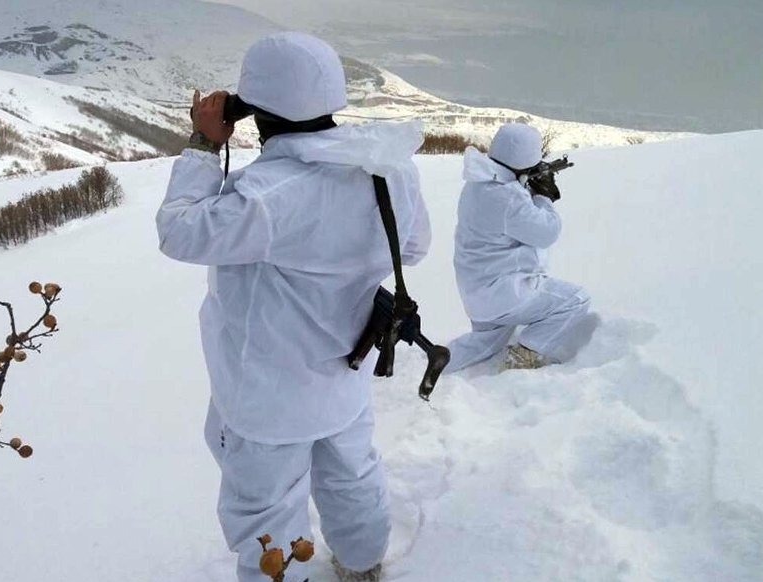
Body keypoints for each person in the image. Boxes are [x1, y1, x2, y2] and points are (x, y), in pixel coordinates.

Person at [156, 32, 430, 582]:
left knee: (266, 510)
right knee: (351, 473)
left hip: (268, 394)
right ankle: (361, 563)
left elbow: (179, 232)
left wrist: (204, 145)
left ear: (254, 106)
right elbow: (415, 247)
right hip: (344, 370)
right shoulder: (386, 169)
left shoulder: (266, 195)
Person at [444, 123, 593, 373]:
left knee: (483, 345)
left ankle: (429, 366)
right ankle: (526, 353)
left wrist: (527, 184)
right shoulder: (507, 197)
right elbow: (546, 232)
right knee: (575, 300)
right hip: (507, 293)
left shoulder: (477, 183)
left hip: (477, 292)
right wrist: (545, 197)